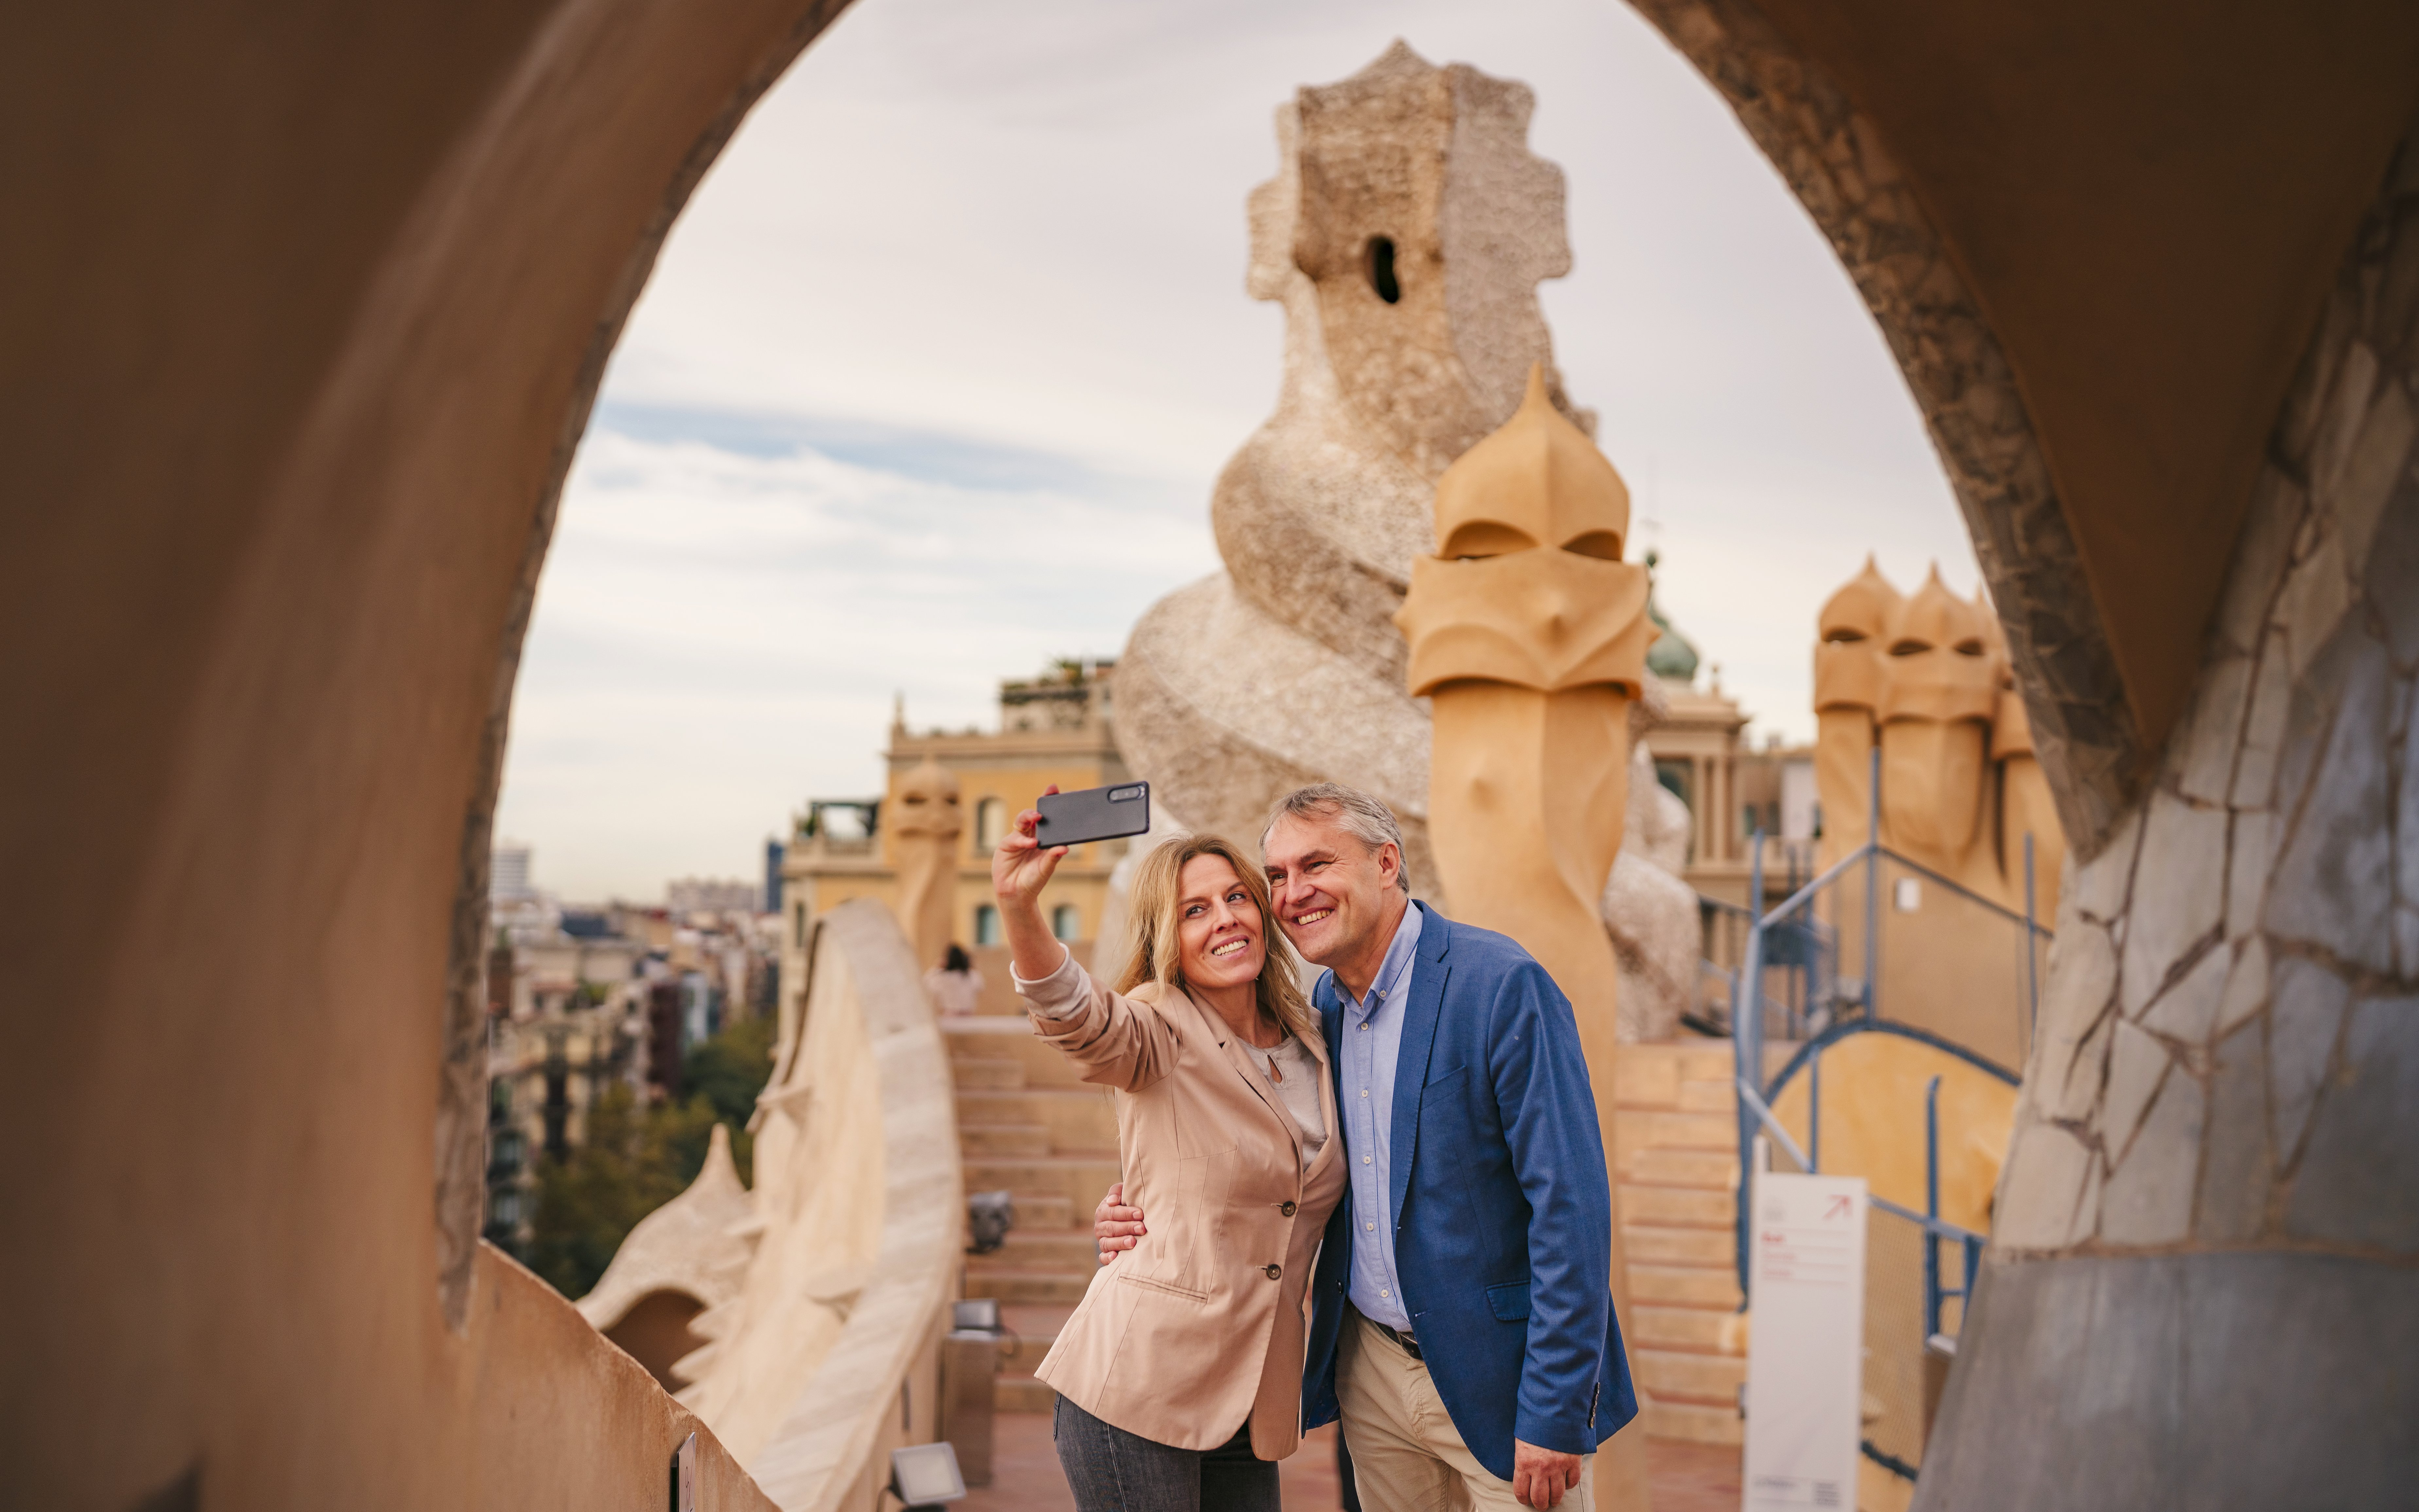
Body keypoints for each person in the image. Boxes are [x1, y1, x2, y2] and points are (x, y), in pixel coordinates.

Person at [1096, 783, 1637, 1511]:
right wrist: (1136, 1207)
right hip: (1373, 1380)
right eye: (1278, 877)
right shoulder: (1317, 1016)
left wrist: (1555, 1406)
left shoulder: (1501, 985)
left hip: (1502, 1385)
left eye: (1316, 865)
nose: (1293, 893)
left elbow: (1571, 1206)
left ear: (1387, 864)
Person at [993, 786, 1346, 1512]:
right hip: (1139, 1385)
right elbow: (1079, 1020)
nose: (1225, 921)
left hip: (1250, 1397)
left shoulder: (1317, 1037)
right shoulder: (1159, 1025)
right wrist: (1021, 910)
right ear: (1167, 937)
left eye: (1236, 899)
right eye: (1195, 910)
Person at [922, 942, 983, 1017]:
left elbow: (925, 983)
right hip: (968, 1016)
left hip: (950, 1016)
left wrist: (936, 967)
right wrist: (971, 966)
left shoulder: (943, 977)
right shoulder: (972, 975)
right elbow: (981, 986)